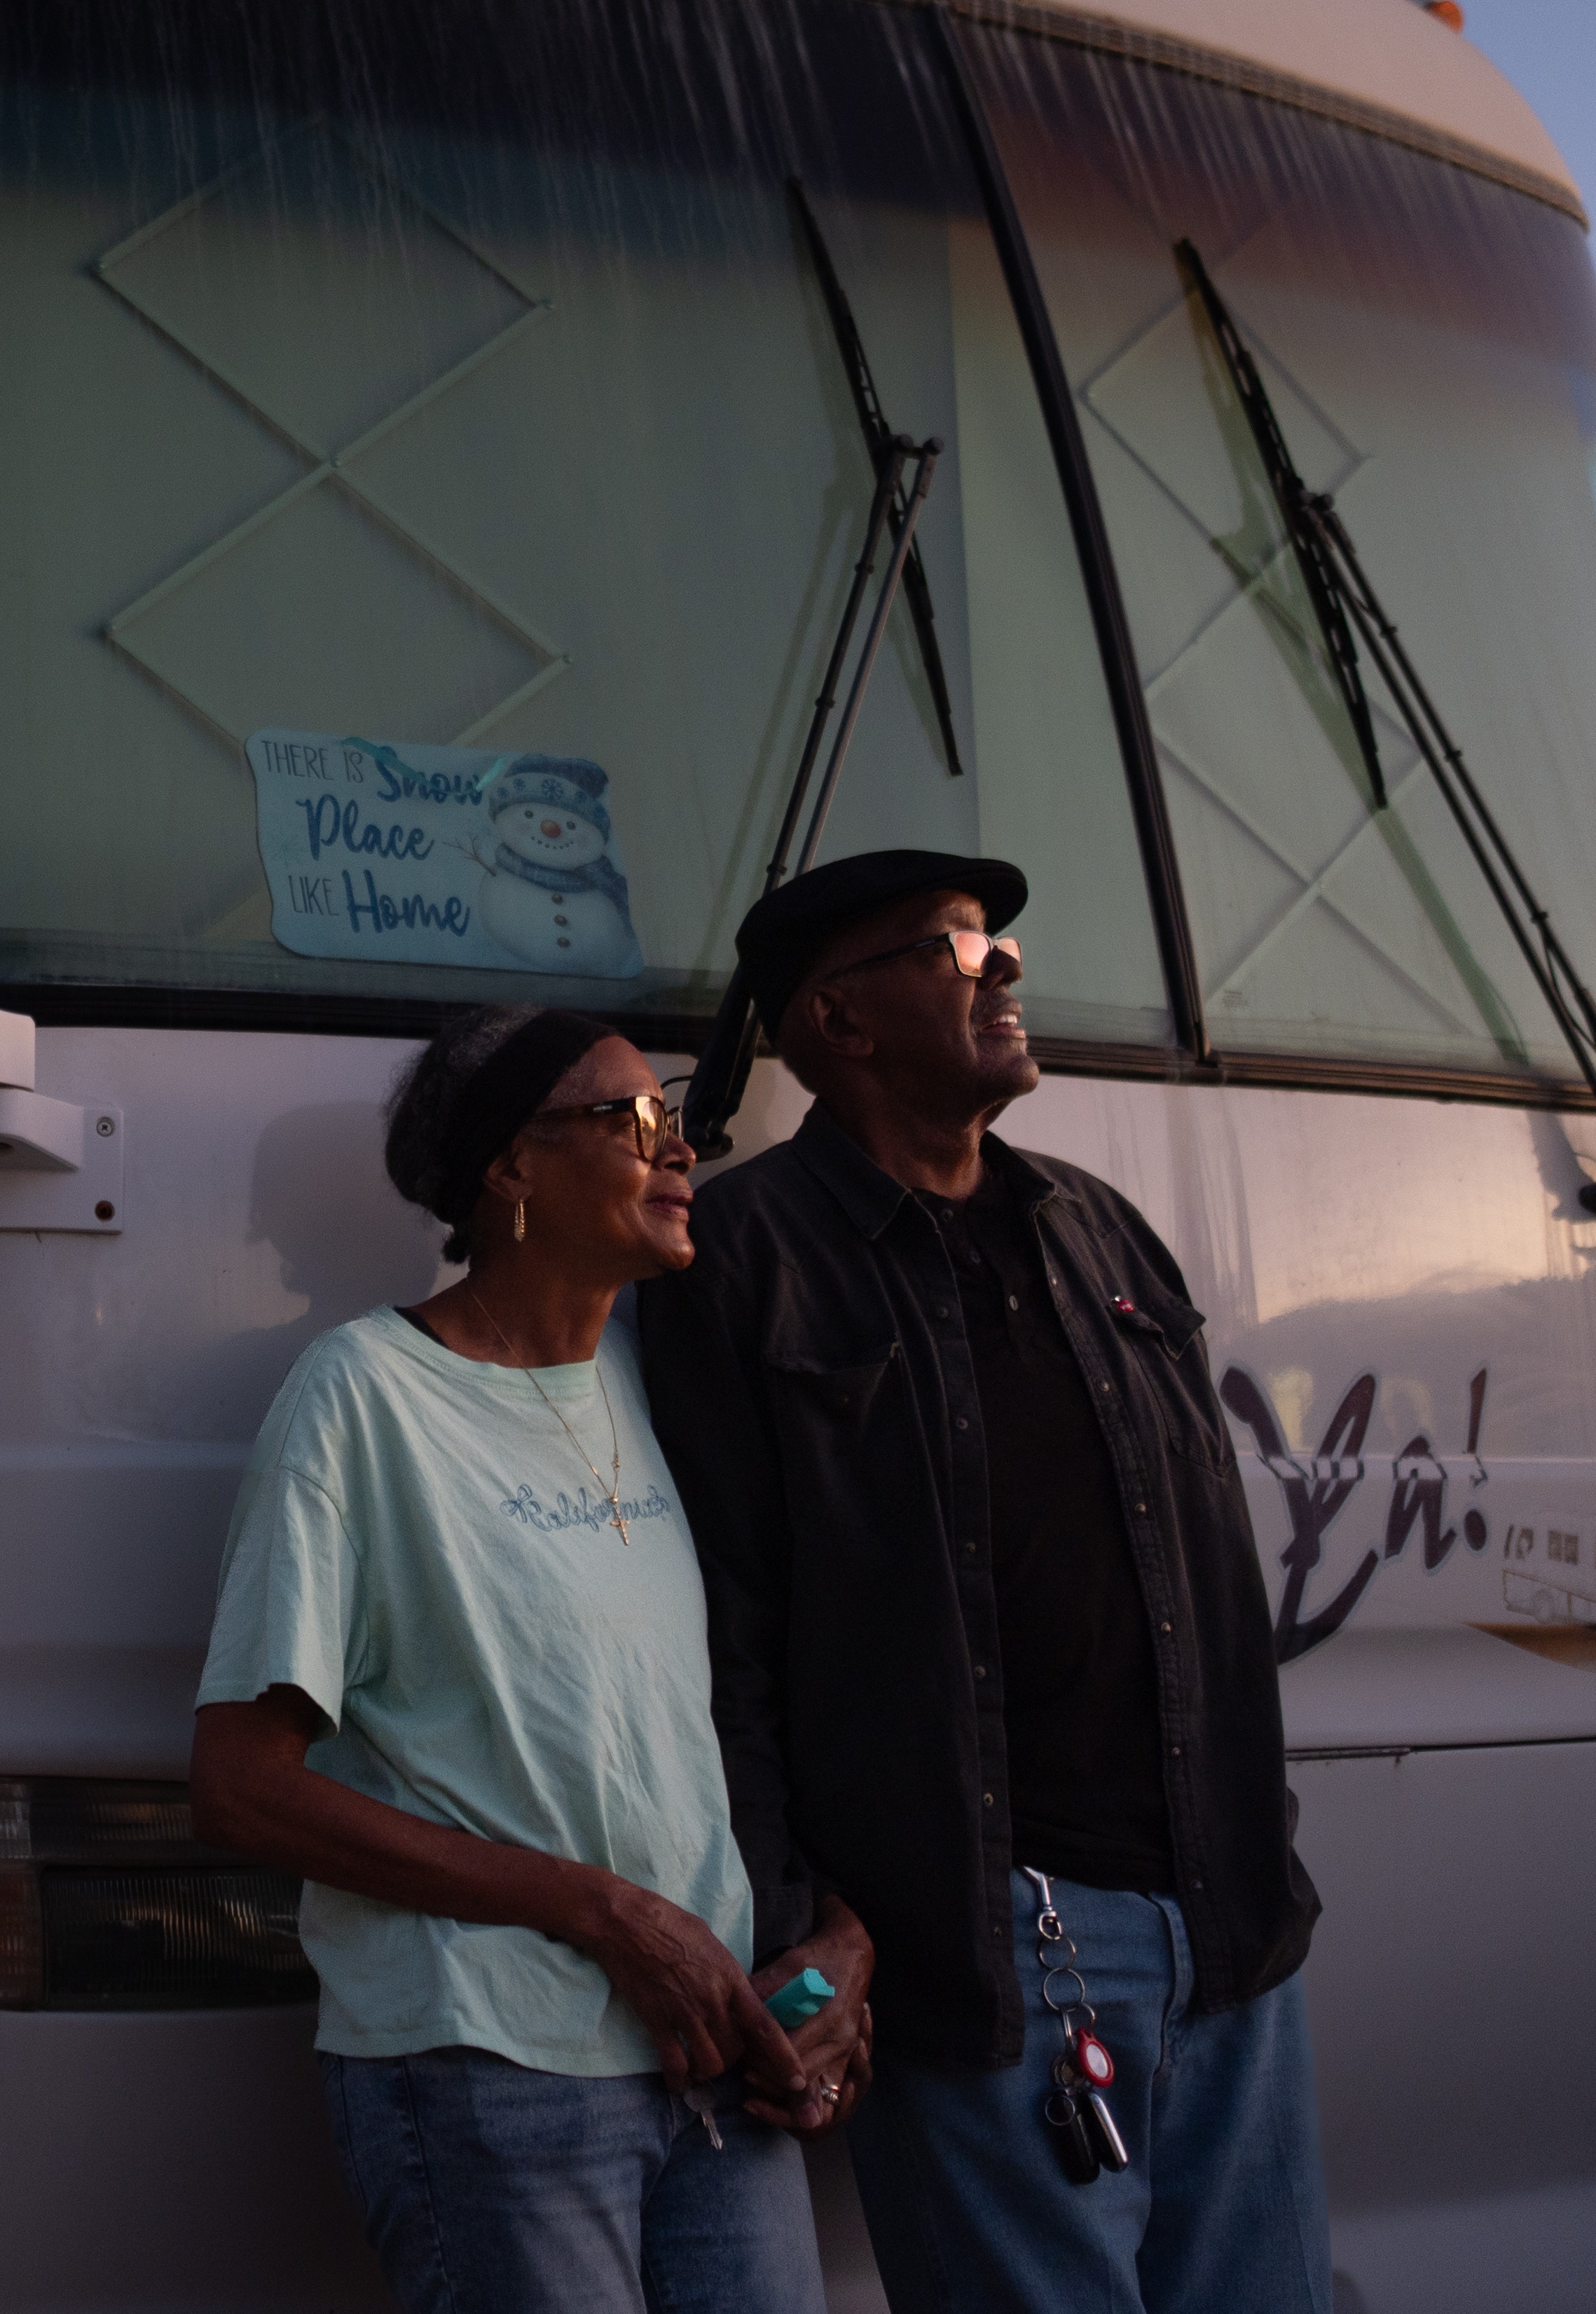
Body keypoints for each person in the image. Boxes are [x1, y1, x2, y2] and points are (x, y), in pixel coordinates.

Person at [638, 851, 1333, 2314]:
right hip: (984, 1955)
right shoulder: (742, 1260)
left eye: (1000, 940)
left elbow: (1206, 1561)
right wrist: (797, 1927)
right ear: (839, 1023)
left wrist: (1259, 1843)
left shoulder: (1100, 1227)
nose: (1003, 967)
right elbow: (726, 1639)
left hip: (1228, 1930)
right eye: (952, 952)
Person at [191, 1005, 873, 2314]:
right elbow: (241, 1785)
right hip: (490, 2069)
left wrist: (840, 1937)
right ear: (508, 1169)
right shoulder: (362, 1397)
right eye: (631, 1122)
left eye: (676, 1122)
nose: (679, 1155)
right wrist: (601, 1912)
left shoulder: (660, 1378)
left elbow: (760, 1697)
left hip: (716, 2050)